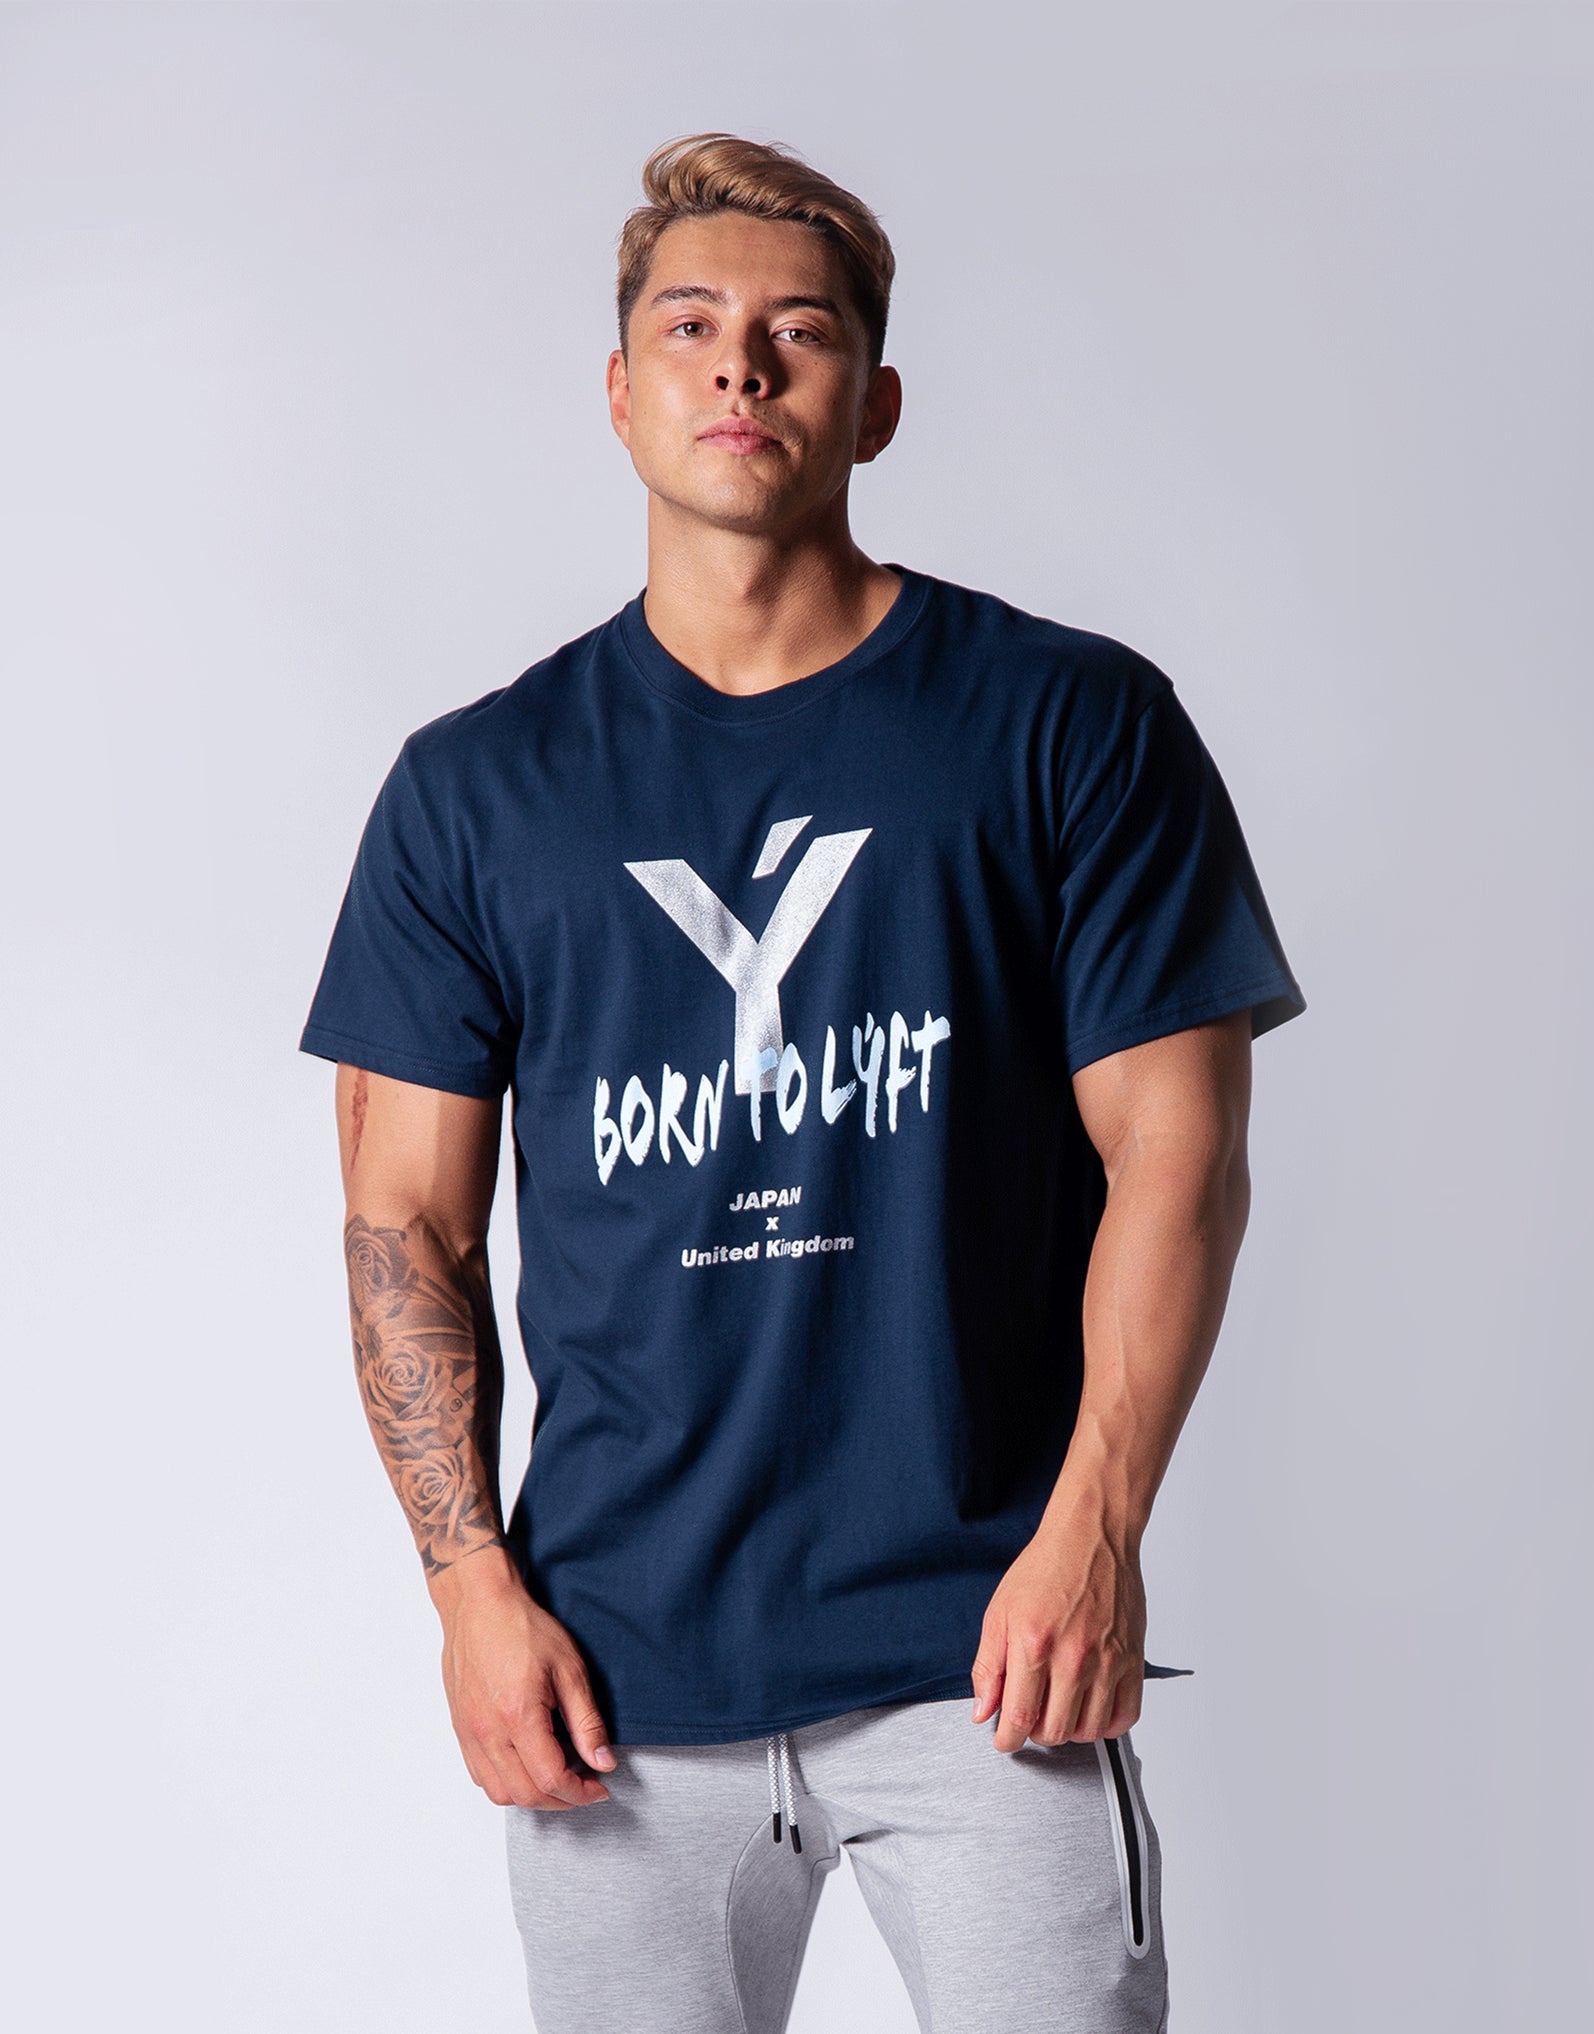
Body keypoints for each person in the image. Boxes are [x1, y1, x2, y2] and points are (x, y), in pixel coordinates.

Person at [299, 131, 1306, 2034]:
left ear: (876, 402)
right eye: (690, 326)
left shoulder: (1070, 723)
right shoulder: (473, 791)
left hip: (988, 1651)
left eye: (801, 330)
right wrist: (470, 1594)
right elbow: (403, 1222)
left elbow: (1180, 1154)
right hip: (614, 1684)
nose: (741, 365)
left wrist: (1096, 1530)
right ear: (619, 391)